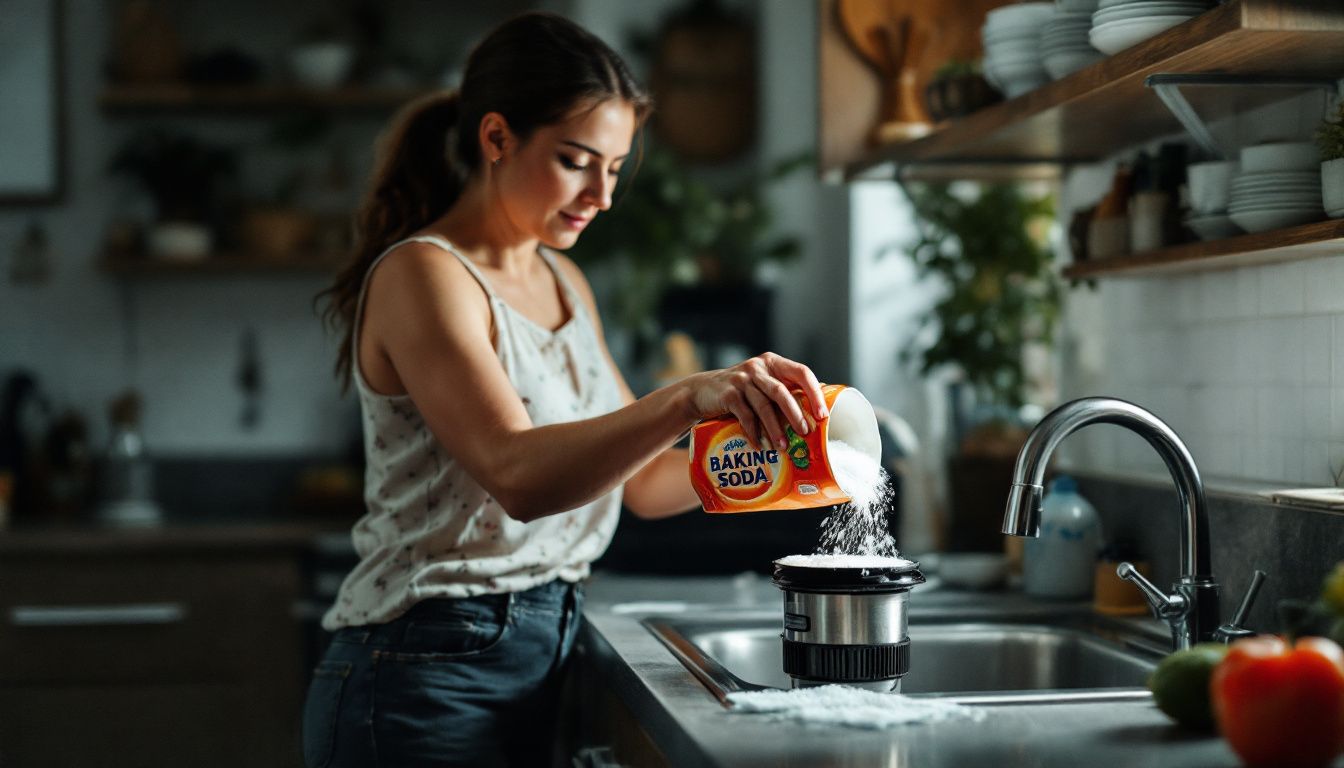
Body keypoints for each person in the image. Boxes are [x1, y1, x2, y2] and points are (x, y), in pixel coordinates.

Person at [303, 11, 827, 768]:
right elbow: (518, 473)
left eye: (614, 168)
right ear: (496, 139)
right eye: (578, 160)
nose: (601, 195)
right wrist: (684, 398)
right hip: (422, 670)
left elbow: (642, 483)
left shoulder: (562, 279)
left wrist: (795, 454)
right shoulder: (426, 276)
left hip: (536, 650)